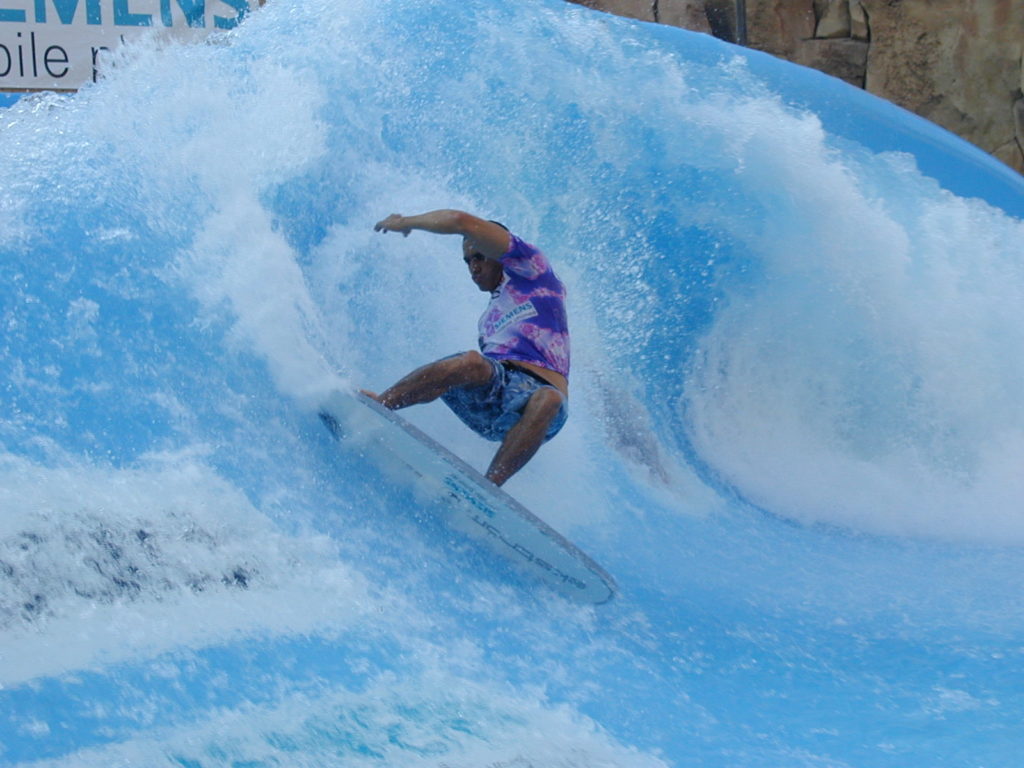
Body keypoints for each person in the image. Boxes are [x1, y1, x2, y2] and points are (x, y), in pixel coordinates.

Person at [366, 209, 569, 487]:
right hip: (494, 401)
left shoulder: (533, 271)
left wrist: (405, 223)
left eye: (479, 257)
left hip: (541, 406)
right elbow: (481, 376)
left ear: (499, 253)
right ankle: (378, 407)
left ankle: (488, 490)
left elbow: (463, 223)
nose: (473, 267)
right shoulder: (488, 320)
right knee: (470, 363)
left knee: (548, 398)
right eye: (467, 262)